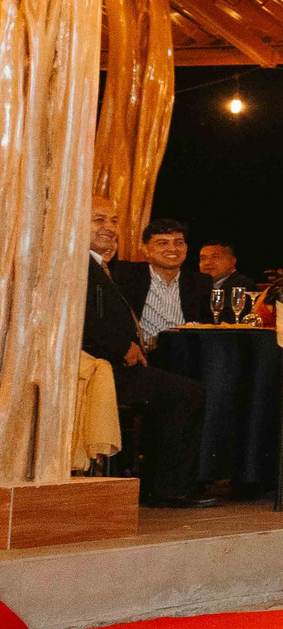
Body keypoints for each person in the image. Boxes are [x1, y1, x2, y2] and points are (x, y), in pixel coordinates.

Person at [83, 198, 214, 507]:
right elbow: (78, 316)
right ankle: (169, 487)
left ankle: (169, 481)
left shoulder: (94, 265)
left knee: (189, 387)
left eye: (114, 221)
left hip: (119, 361)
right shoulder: (83, 265)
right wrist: (122, 346)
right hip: (101, 366)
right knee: (187, 393)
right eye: (99, 220)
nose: (110, 228)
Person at [108, 216, 212, 349]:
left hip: (188, 355)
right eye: (163, 243)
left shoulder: (200, 282)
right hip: (145, 358)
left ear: (186, 248)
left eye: (178, 242)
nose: (172, 249)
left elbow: (211, 324)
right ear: (146, 250)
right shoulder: (126, 275)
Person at [198, 241, 255, 322]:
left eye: (215, 257)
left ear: (232, 261)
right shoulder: (197, 285)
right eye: (203, 258)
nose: (207, 263)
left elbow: (230, 319)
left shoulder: (243, 285)